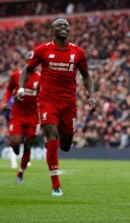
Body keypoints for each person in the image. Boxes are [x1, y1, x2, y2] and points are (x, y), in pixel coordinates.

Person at [16, 18, 96, 196]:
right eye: (59, 25)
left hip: (68, 104)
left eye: (66, 25)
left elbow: (86, 75)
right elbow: (27, 70)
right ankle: (56, 185)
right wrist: (21, 88)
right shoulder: (42, 50)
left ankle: (52, 145)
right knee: (51, 133)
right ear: (52, 31)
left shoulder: (78, 52)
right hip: (47, 101)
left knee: (65, 145)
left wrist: (91, 96)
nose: (64, 27)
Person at [3, 60, 41, 183]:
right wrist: (5, 102)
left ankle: (20, 173)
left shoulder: (40, 78)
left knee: (28, 145)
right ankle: (15, 146)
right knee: (15, 141)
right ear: (26, 61)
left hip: (32, 116)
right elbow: (9, 90)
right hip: (17, 114)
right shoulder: (16, 75)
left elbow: (43, 97)